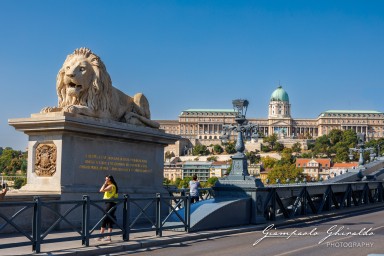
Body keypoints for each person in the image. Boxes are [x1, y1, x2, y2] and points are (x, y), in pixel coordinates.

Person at [97, 175, 118, 242]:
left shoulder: (111, 186)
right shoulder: (112, 186)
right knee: (109, 220)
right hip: (110, 204)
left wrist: (104, 184)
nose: (105, 180)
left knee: (105, 219)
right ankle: (107, 237)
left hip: (110, 204)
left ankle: (101, 236)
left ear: (109, 180)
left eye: (106, 179)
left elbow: (101, 190)